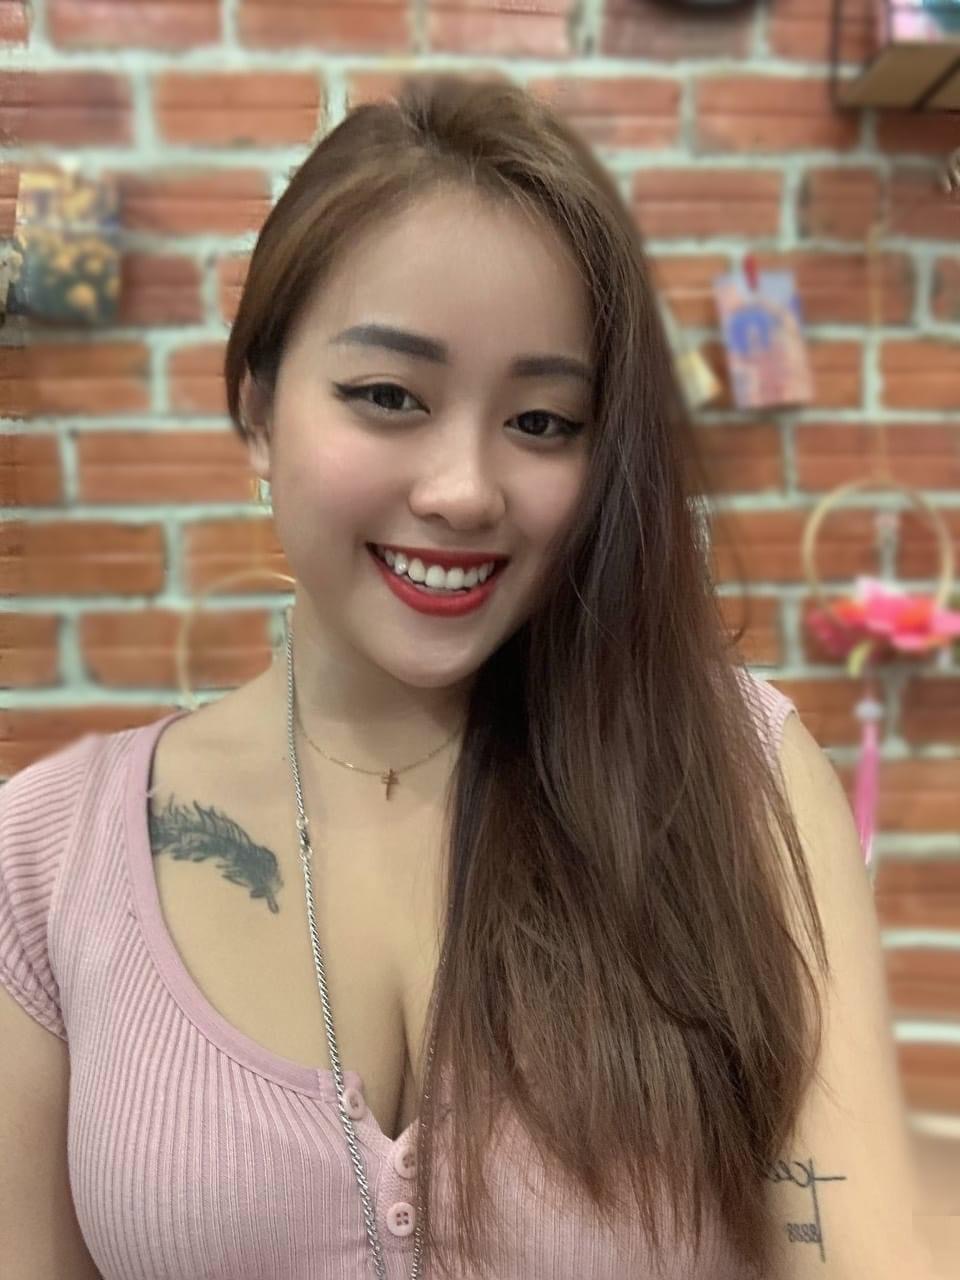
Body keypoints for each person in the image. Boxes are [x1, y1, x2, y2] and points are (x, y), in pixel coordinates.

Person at [0, 75, 930, 1280]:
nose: (464, 490)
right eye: (389, 396)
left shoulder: (742, 780)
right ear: (258, 410)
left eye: (542, 421)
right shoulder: (48, 854)